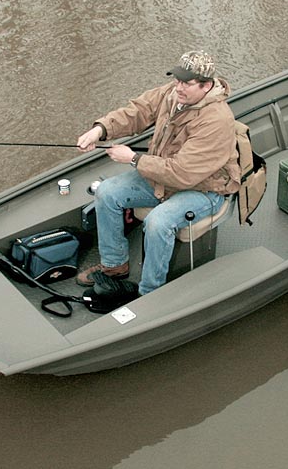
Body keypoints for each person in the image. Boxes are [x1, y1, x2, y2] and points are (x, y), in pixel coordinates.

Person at [76, 50, 241, 295]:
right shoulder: (173, 94)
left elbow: (183, 174)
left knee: (157, 222)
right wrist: (101, 130)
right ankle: (114, 266)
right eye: (177, 79)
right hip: (163, 176)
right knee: (107, 192)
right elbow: (138, 111)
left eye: (186, 82)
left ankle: (150, 292)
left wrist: (133, 158)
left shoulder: (216, 120)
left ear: (206, 86)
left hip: (204, 189)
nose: (178, 87)